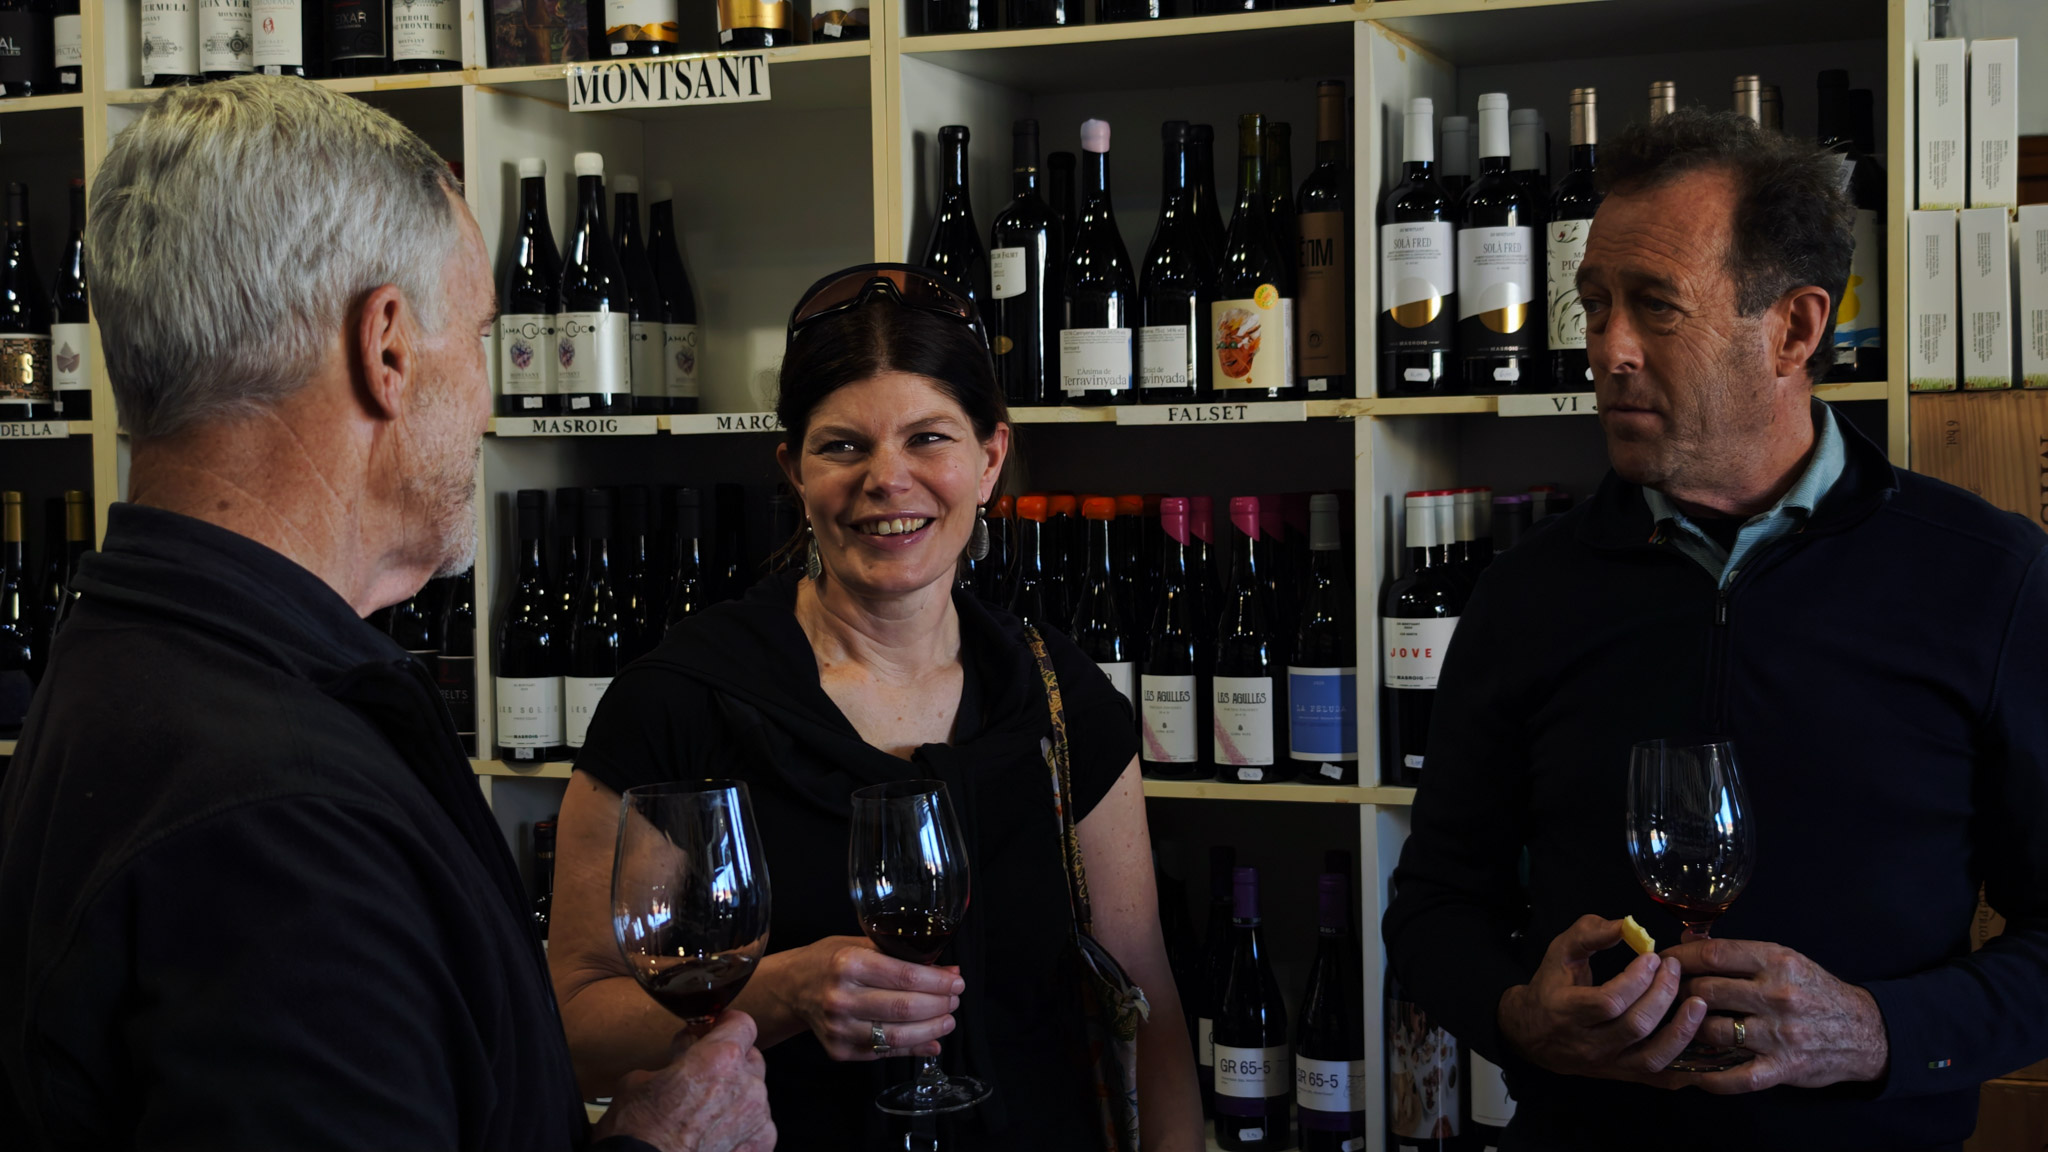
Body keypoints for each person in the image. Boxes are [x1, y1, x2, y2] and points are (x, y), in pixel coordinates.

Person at [0, 77, 773, 1152]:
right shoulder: (277, 819)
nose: (491, 402)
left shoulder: (140, 657)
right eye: (483, 337)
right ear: (389, 349)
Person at [1382, 110, 2048, 1151]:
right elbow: (1431, 906)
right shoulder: (1525, 594)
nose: (1608, 350)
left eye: (1655, 306)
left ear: (1794, 330)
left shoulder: (1986, 577)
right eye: (1594, 305)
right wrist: (1518, 1018)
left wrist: (1877, 1031)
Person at [547, 265, 1204, 1151]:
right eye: (843, 446)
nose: (888, 480)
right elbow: (573, 1024)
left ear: (990, 461)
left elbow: (1146, 998)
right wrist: (781, 993)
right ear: (794, 470)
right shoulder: (680, 700)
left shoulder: (1061, 697)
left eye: (929, 438)